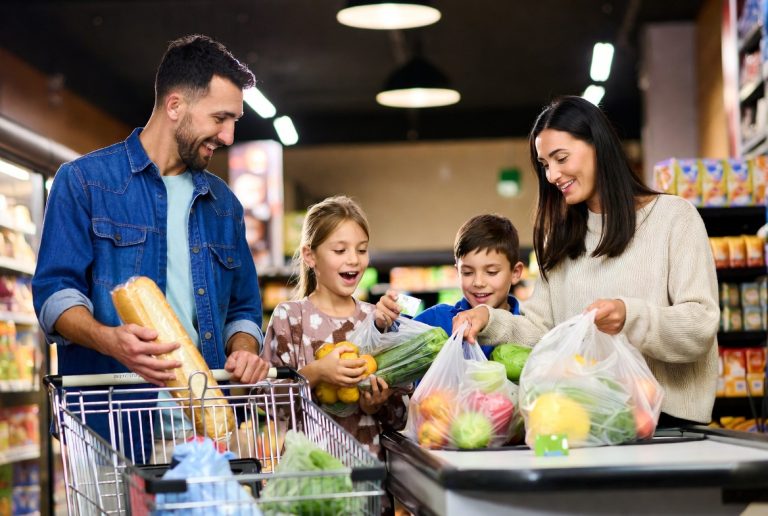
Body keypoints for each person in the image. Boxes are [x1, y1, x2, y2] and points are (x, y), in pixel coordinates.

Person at [32, 35, 270, 456]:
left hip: (207, 431)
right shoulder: (85, 182)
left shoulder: (224, 206)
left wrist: (245, 350)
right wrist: (109, 339)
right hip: (111, 430)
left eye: (234, 120)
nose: (229, 136)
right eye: (220, 118)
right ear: (175, 105)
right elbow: (55, 293)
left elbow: (243, 309)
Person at [453, 96, 719, 427]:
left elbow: (700, 325)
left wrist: (629, 316)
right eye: (544, 164)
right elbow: (542, 333)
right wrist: (488, 319)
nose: (552, 175)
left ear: (598, 146)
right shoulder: (560, 239)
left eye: (561, 158)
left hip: (668, 426)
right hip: (583, 422)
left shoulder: (673, 218)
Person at [262, 196, 409, 458]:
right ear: (310, 256)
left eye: (361, 250)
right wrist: (316, 373)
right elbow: (269, 404)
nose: (354, 260)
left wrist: (376, 404)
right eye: (340, 251)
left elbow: (401, 417)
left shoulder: (376, 320)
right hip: (307, 471)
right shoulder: (290, 318)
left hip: (366, 470)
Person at [377, 213, 524, 358]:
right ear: (457, 272)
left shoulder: (526, 329)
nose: (478, 282)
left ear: (515, 273)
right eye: (467, 272)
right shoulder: (436, 320)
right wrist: (383, 323)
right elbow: (389, 353)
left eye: (491, 272)